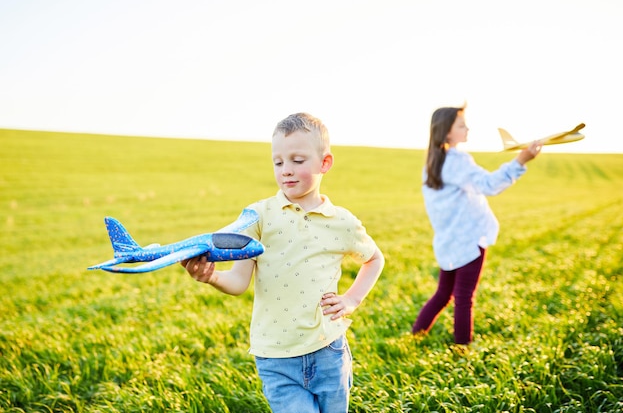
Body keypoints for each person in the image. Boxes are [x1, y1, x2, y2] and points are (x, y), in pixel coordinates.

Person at [181, 112, 385, 413]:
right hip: (275, 357)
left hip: (328, 349)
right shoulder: (259, 216)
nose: (286, 171)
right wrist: (210, 277)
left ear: (324, 163)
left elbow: (375, 259)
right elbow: (238, 283)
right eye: (278, 162)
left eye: (297, 161)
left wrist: (352, 299)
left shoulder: (342, 221)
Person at [412, 106, 541, 345]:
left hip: (449, 241)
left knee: (444, 294)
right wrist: (521, 160)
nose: (467, 128)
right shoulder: (456, 160)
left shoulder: (432, 163)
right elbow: (489, 184)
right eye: (461, 125)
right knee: (463, 298)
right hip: (469, 240)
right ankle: (462, 350)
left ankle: (414, 336)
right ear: (446, 133)